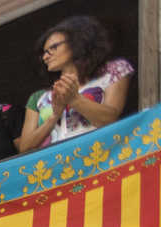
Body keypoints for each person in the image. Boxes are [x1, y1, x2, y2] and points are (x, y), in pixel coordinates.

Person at [18, 15, 134, 152]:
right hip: (58, 166)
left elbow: (110, 119)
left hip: (103, 156)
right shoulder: (41, 97)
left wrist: (74, 99)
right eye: (44, 53)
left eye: (53, 47)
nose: (45, 57)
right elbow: (24, 148)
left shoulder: (113, 70)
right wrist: (54, 116)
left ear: (76, 42)